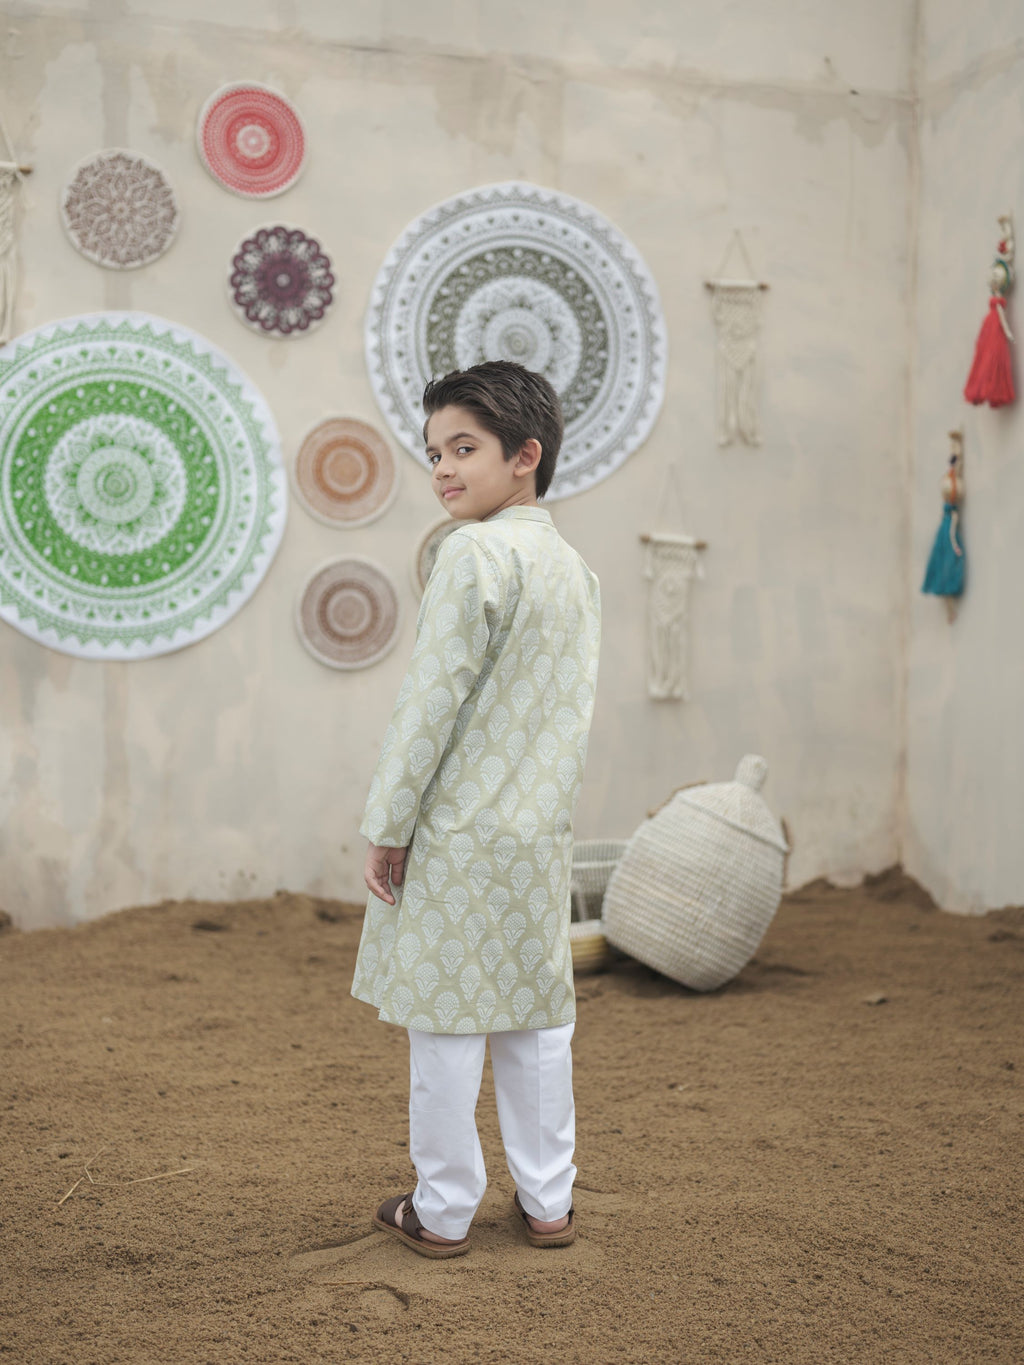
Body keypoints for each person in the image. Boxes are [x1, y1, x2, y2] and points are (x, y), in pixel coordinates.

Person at [351, 360, 601, 1258]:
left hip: (458, 831)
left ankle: (445, 1210)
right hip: (536, 832)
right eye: (433, 453)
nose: (443, 469)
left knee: (448, 1025)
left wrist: (389, 824)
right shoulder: (574, 569)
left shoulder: (472, 554)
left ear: (524, 455)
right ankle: (549, 1202)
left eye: (463, 448)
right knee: (536, 1020)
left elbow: (430, 702)